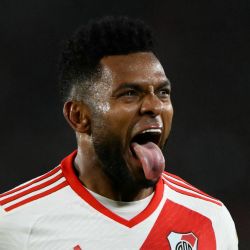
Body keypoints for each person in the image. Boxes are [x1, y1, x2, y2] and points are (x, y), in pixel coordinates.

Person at [0, 16, 238, 250]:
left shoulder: (210, 220)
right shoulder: (13, 222)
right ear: (79, 116)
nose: (154, 106)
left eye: (163, 92)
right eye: (130, 94)